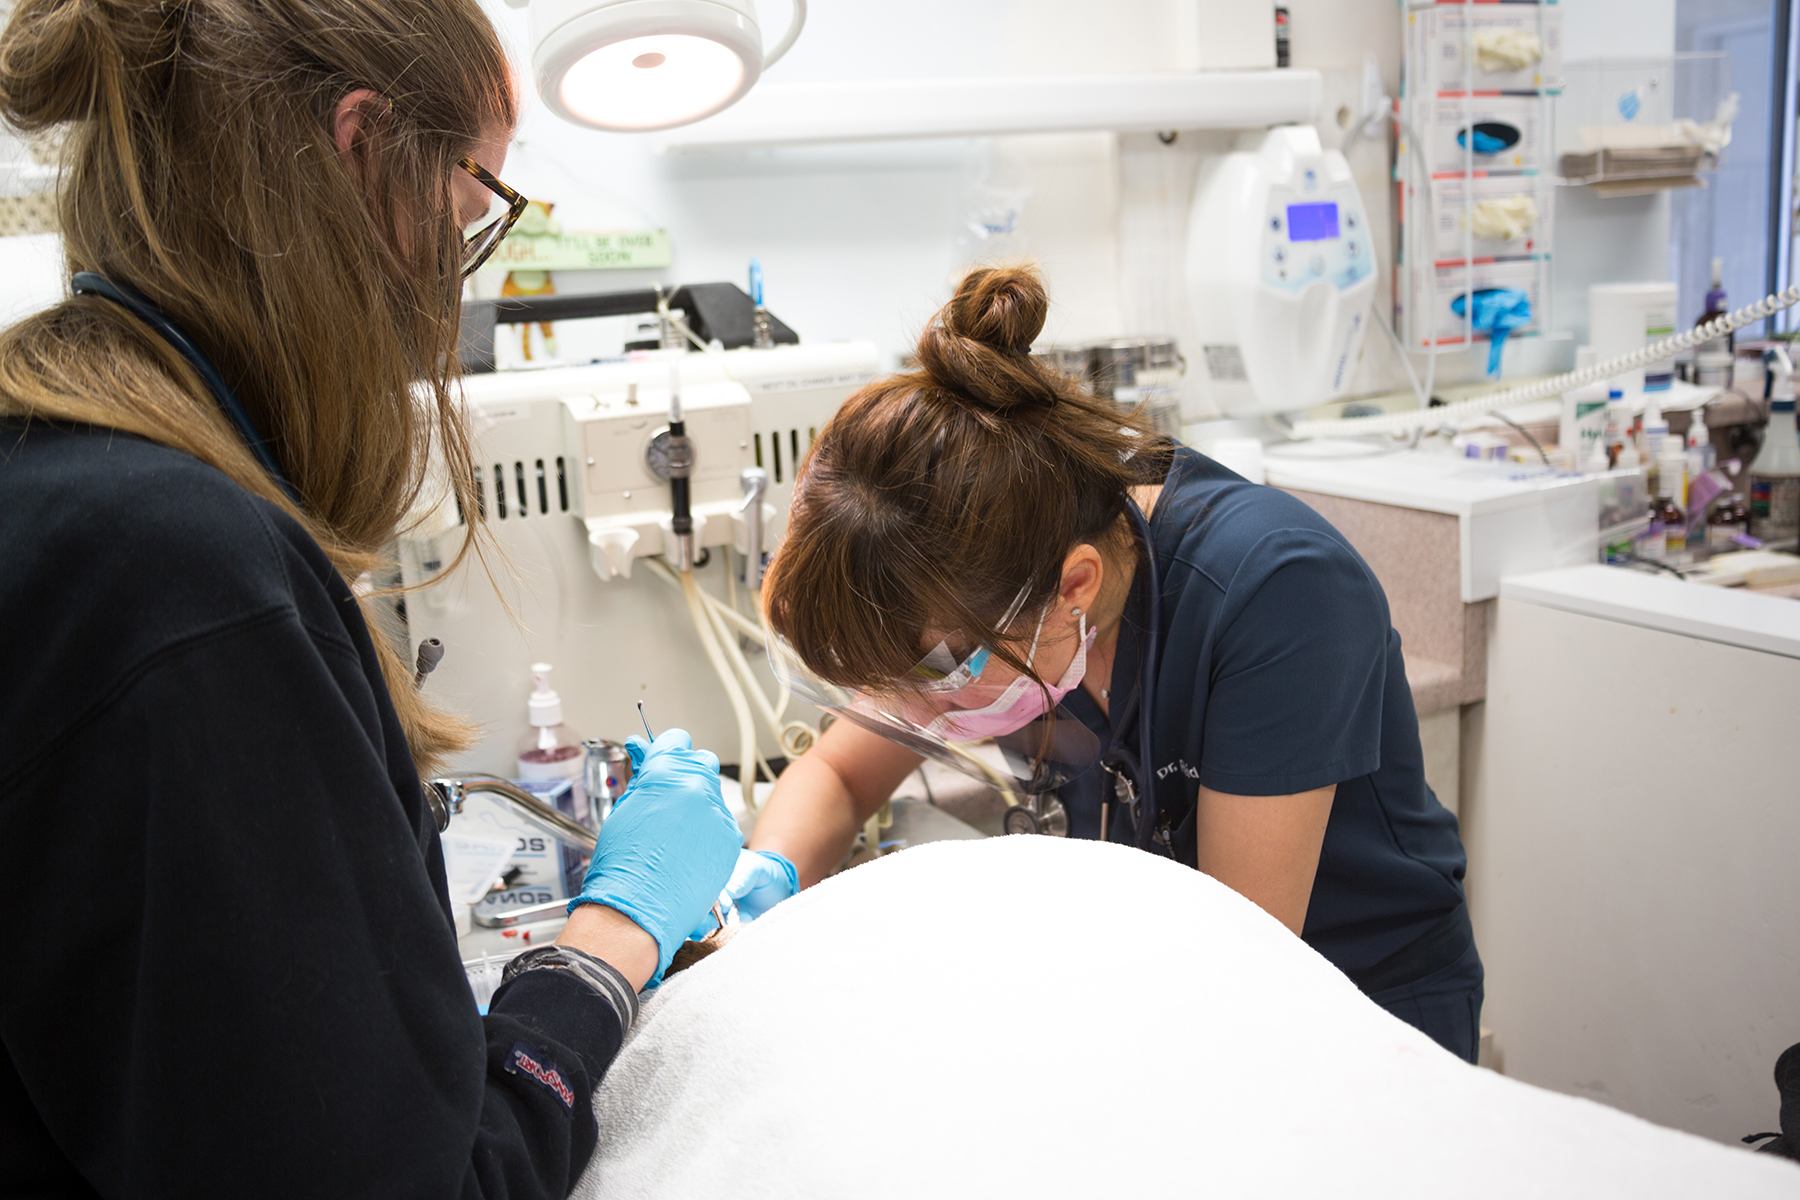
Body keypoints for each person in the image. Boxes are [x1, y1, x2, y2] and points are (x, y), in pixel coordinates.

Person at [0, 2, 737, 1195]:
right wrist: (614, 941)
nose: (454, 278)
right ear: (360, 151)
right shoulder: (176, 579)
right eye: (469, 205)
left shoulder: (64, 482)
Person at [725, 265, 1485, 1061]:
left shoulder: (1276, 593)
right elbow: (840, 777)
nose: (912, 719)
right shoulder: (989, 590)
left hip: (1349, 1018)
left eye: (937, 681)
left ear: (1072, 587)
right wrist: (763, 889)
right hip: (1167, 993)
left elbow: (1240, 971)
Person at [570, 838, 1799, 1200]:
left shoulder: (1270, 592)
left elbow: (1228, 957)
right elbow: (846, 759)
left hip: (1273, 991)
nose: (933, 691)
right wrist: (751, 879)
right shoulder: (777, 1007)